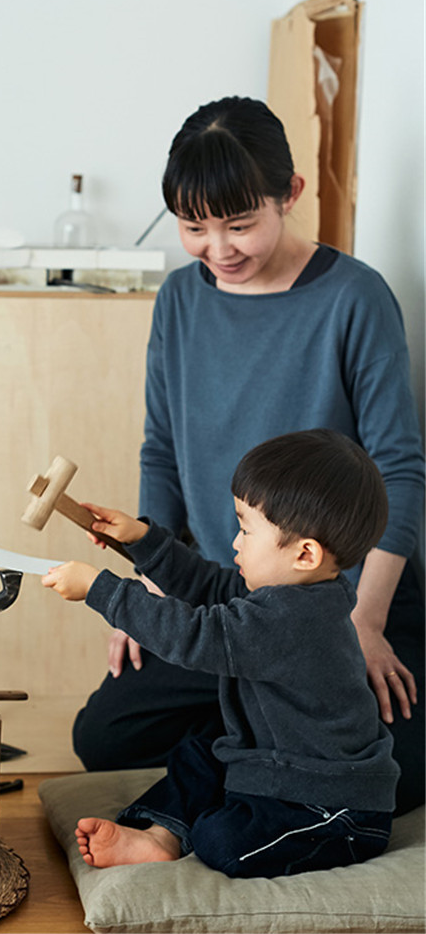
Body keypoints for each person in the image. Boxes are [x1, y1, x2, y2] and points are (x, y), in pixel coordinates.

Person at [71, 97, 425, 817]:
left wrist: (365, 618)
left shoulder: (355, 297)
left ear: (288, 195)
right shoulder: (179, 300)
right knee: (104, 735)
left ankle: (261, 748)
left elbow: (401, 468)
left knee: (399, 773)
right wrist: (155, 583)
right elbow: (161, 450)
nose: (218, 248)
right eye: (194, 227)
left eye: (240, 225)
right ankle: (265, 742)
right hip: (234, 591)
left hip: (342, 592)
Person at [43, 430, 399, 877]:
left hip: (329, 806)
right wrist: (141, 540)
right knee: (200, 755)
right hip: (274, 763)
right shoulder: (294, 591)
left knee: (222, 841)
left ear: (305, 554)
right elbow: (211, 587)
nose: (235, 542)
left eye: (246, 530)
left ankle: (188, 831)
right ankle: (159, 835)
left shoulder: (295, 621)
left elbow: (195, 635)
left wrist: (103, 592)